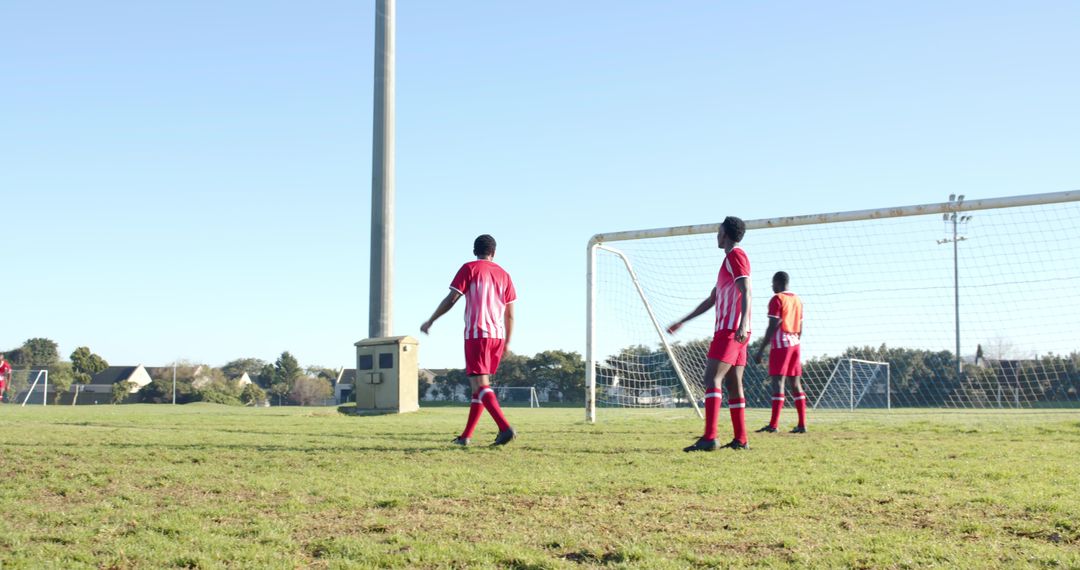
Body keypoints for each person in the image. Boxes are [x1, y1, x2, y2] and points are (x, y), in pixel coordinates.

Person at [421, 234, 517, 447]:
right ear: (494, 252)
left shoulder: (470, 268)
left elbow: (452, 299)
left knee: (480, 385)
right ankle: (465, 437)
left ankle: (505, 428)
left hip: (478, 334)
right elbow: (510, 314)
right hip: (498, 336)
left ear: (475, 251)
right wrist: (507, 342)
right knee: (478, 387)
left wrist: (431, 320)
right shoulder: (505, 275)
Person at [668, 216, 752, 451]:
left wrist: (742, 324)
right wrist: (682, 321)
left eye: (718, 231)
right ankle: (741, 440)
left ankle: (709, 438)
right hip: (735, 329)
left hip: (731, 329)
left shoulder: (736, 255)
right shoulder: (727, 261)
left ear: (724, 233)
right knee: (734, 384)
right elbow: (712, 300)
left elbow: (746, 289)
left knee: (711, 379)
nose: (716, 235)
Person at [753, 271, 808, 434]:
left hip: (781, 344)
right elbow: (800, 325)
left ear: (777, 282)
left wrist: (761, 349)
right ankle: (802, 424)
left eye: (773, 284)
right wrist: (797, 340)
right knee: (796, 384)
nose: (772, 287)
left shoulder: (777, 299)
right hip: (795, 344)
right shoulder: (798, 300)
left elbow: (773, 325)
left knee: (778, 382)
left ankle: (773, 425)